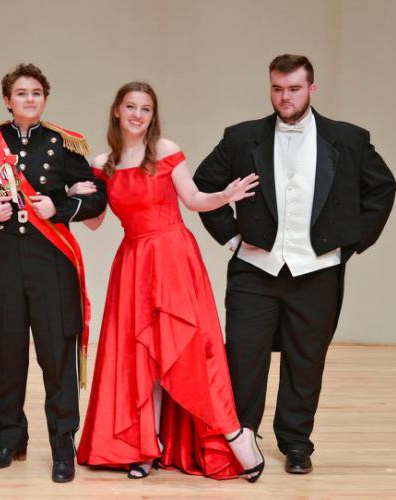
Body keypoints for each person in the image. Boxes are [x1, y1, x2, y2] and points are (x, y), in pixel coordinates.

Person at [193, 54, 396, 474]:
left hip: (317, 270)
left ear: (312, 89)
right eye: (277, 89)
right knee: (243, 357)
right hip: (254, 269)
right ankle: (242, 437)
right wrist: (231, 237)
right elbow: (204, 185)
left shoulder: (349, 139)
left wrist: (347, 245)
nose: (285, 97)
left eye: (294, 89)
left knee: (306, 360)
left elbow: (382, 188)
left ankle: (297, 442)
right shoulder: (241, 137)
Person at [71, 82, 264, 481]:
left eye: (145, 109)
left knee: (185, 348)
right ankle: (146, 446)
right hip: (133, 263)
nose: (137, 115)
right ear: (117, 111)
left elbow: (193, 200)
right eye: (131, 107)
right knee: (143, 357)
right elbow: (94, 222)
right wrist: (75, 193)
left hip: (173, 256)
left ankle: (234, 436)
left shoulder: (165, 149)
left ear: (152, 115)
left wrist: (225, 195)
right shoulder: (103, 162)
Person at [0, 63, 107, 483]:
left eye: (37, 93)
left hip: (51, 261)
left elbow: (97, 198)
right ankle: (10, 439)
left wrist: (60, 207)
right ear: (8, 100)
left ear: (45, 99)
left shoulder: (63, 143)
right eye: (21, 93)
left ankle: (62, 445)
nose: (30, 99)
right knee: (9, 353)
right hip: (5, 261)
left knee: (57, 355)